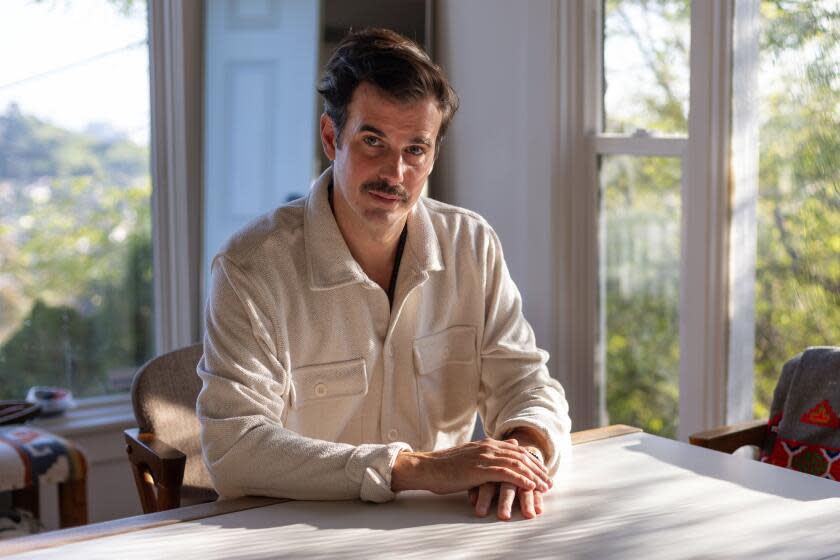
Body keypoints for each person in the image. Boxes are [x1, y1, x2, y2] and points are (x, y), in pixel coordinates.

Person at [197, 28, 572, 521]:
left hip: (449, 533)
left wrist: (521, 453)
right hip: (301, 538)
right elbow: (234, 450)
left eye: (416, 149)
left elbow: (527, 382)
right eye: (373, 141)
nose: (395, 173)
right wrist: (414, 468)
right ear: (332, 138)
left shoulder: (472, 245)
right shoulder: (251, 267)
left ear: (434, 153)